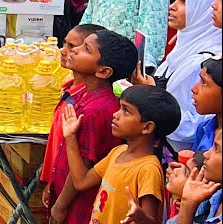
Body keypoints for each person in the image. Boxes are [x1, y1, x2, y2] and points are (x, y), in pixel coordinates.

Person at [41, 28, 134, 224]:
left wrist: (60, 206)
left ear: (103, 71)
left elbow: (82, 169)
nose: (74, 50)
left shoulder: (96, 111)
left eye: (86, 49)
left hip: (80, 204)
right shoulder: (85, 96)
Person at [60, 84, 180, 224]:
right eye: (120, 107)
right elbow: (81, 182)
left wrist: (141, 217)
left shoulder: (148, 169)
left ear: (147, 127)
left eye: (126, 111)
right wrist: (70, 137)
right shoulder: (118, 152)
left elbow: (151, 220)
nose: (115, 115)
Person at [133, 0, 222, 151]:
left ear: (201, 9)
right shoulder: (184, 46)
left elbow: (195, 125)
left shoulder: (207, 62)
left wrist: (153, 96)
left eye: (183, 1)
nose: (172, 7)